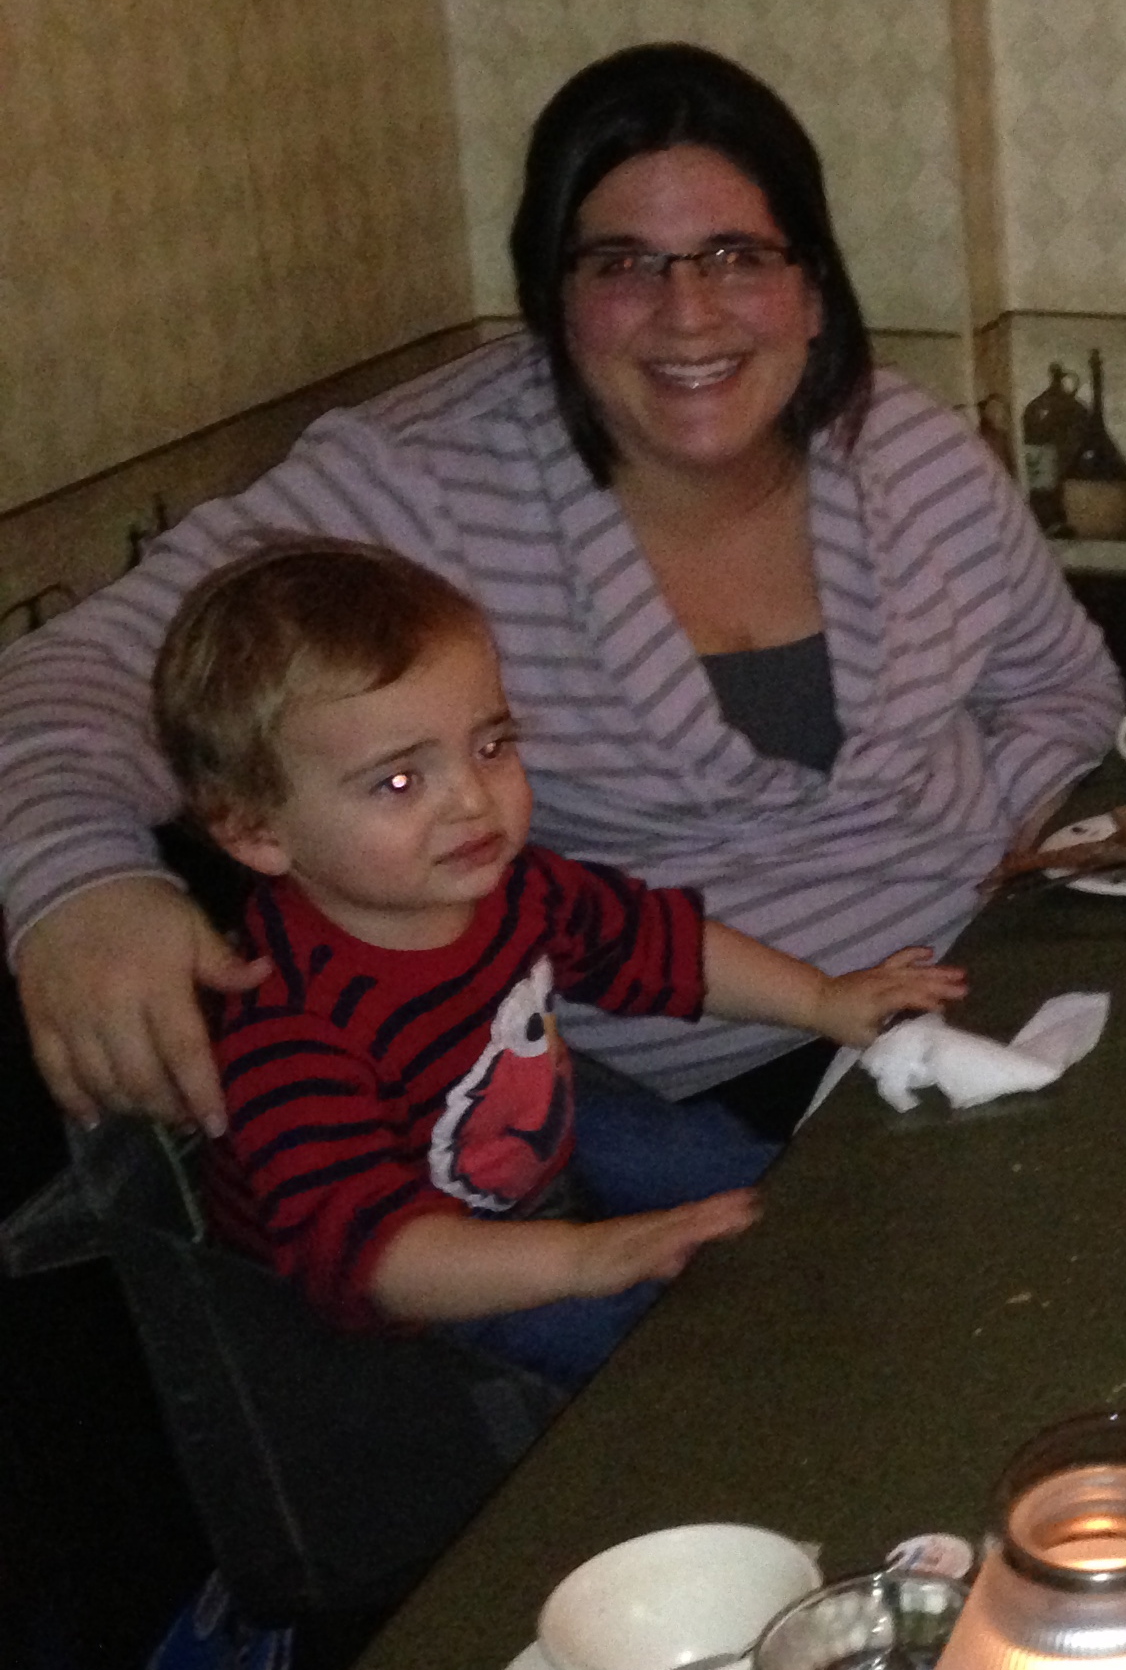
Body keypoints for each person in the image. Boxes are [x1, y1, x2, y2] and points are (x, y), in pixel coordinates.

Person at [0, 42, 1120, 1204]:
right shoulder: (421, 488)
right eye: (622, 264)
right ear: (553, 298)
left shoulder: (906, 449)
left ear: (812, 289)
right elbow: (63, 674)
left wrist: (1019, 871)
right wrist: (83, 887)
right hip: (685, 1107)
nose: (688, 314)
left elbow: (1059, 691)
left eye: (737, 256)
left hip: (987, 995)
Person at [152, 540, 966, 1382]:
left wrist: (822, 1000)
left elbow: (658, 943)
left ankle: (864, 1249)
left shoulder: (513, 887)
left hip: (525, 1155)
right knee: (636, 1346)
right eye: (399, 782)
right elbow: (376, 1259)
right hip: (414, 1300)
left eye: (491, 745)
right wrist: (581, 1257)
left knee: (710, 1161)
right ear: (257, 832)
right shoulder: (291, 1031)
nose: (472, 799)